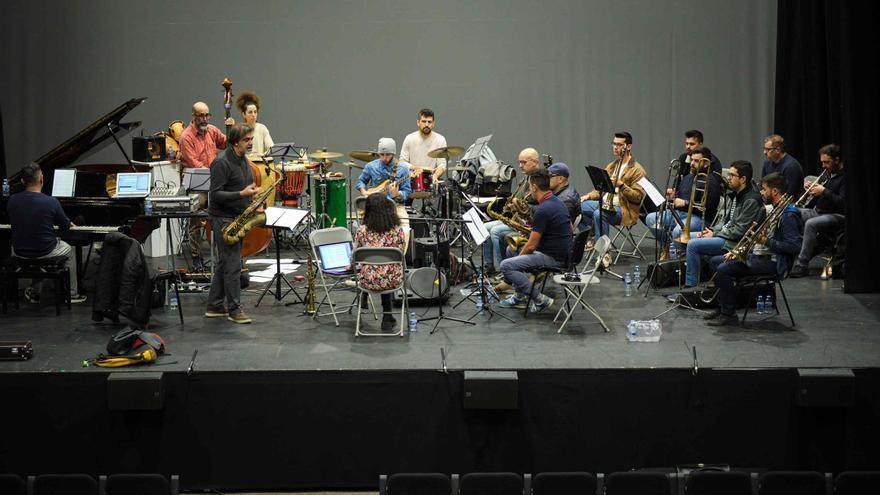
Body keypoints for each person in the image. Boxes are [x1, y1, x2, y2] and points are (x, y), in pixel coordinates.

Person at [705, 172, 803, 326]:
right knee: (715, 262)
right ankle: (723, 306)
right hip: (758, 256)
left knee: (724, 269)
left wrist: (766, 241)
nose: (761, 193)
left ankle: (729, 314)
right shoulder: (774, 209)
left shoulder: (788, 215)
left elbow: (794, 247)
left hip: (774, 263)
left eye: (764, 189)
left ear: (775, 191)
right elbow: (754, 238)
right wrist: (737, 251)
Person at [7, 162, 86, 304]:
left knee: (40, 242)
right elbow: (67, 226)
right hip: (43, 250)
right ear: (42, 180)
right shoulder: (51, 201)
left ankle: (35, 291)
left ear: (22, 181)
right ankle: (72, 293)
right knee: (69, 249)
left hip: (18, 251)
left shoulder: (12, 200)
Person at [205, 123, 259, 324]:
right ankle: (235, 310)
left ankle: (215, 305)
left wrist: (251, 193)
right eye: (247, 140)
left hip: (237, 216)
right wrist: (241, 193)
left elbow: (242, 186)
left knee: (224, 263)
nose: (250, 142)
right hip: (223, 218)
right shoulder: (221, 162)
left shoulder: (243, 160)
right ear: (236, 142)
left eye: (251, 139)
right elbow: (215, 194)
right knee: (233, 264)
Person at [498, 168, 572, 313]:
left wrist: (518, 261)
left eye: (529, 186)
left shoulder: (543, 209)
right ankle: (519, 296)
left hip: (554, 258)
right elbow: (568, 227)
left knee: (506, 266)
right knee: (510, 249)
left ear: (534, 187)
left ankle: (539, 299)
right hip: (563, 253)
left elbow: (531, 246)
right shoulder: (557, 201)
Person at [682, 160, 765, 288]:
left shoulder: (751, 200)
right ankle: (701, 278)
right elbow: (727, 222)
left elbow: (740, 231)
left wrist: (715, 233)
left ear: (743, 179)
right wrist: (711, 230)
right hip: (726, 237)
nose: (728, 178)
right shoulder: (737, 195)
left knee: (693, 245)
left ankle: (690, 288)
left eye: (732, 175)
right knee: (687, 237)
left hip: (735, 243)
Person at [179, 101, 234, 258]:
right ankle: (196, 255)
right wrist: (217, 174)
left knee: (226, 209)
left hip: (214, 183)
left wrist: (230, 128)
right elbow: (195, 164)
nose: (205, 119)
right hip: (197, 185)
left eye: (207, 115)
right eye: (201, 116)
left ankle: (223, 251)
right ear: (193, 116)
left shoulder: (211, 130)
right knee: (196, 210)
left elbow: (227, 144)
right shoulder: (186, 137)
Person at [646, 147, 722, 260]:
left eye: (696, 161)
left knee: (678, 230)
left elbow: (708, 208)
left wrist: (685, 203)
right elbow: (679, 197)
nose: (692, 163)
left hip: (699, 218)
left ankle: (676, 258)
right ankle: (666, 247)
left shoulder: (711, 182)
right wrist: (673, 197)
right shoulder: (687, 177)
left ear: (706, 163)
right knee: (651, 218)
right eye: (692, 160)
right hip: (679, 213)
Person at [789, 143, 846, 278]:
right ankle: (789, 252)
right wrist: (812, 189)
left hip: (837, 215)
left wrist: (824, 191)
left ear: (837, 160)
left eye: (827, 162)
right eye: (822, 162)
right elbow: (823, 195)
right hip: (819, 211)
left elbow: (843, 203)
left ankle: (801, 265)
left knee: (811, 224)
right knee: (790, 211)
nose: (824, 166)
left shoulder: (845, 177)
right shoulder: (828, 174)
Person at [482, 148, 542, 276]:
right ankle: (489, 266)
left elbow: (536, 205)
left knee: (495, 231)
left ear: (535, 162)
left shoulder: (540, 179)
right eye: (519, 162)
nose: (520, 166)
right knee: (484, 228)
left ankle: (506, 272)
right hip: (519, 218)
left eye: (523, 162)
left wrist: (519, 206)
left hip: (528, 223)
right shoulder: (527, 178)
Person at [578, 131, 646, 238]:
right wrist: (588, 196)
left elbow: (638, 197)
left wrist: (621, 185)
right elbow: (600, 188)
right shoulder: (612, 166)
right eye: (614, 144)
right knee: (577, 207)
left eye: (619, 145)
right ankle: (591, 235)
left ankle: (604, 251)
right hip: (605, 204)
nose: (615, 147)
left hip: (624, 210)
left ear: (628, 147)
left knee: (599, 214)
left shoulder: (638, 170)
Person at [355, 193, 406, 331]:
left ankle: (364, 295)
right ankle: (387, 317)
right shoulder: (397, 231)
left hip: (367, 281)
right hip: (392, 280)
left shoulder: (361, 231)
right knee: (388, 267)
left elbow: (355, 255)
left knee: (370, 266)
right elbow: (401, 254)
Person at [355, 138, 412, 249]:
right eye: (382, 154)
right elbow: (360, 182)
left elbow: (407, 192)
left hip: (395, 205)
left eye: (388, 155)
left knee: (405, 230)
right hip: (374, 206)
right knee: (364, 231)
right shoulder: (371, 166)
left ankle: (399, 258)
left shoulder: (403, 169)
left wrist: (398, 194)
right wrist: (364, 192)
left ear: (393, 154)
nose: (385, 157)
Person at [399, 108, 447, 182]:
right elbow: (402, 162)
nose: (427, 125)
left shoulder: (440, 139)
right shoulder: (409, 138)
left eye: (429, 122)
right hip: (412, 180)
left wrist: (436, 175)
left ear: (433, 124)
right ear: (418, 122)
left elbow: (442, 165)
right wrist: (416, 168)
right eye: (424, 121)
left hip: (430, 180)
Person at [235, 91, 274, 160]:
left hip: (260, 165)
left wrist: (263, 154)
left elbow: (272, 148)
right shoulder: (240, 131)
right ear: (244, 114)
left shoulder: (262, 128)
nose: (253, 115)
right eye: (250, 112)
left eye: (255, 112)